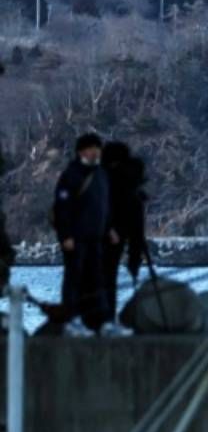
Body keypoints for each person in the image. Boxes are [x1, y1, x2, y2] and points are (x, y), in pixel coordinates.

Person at [52, 133, 112, 336]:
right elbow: (62, 209)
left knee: (97, 279)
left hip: (96, 237)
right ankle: (71, 320)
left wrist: (109, 228)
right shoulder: (71, 175)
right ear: (81, 151)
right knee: (74, 279)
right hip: (76, 239)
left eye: (98, 147)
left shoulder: (101, 174)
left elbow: (104, 206)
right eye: (91, 147)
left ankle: (101, 321)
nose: (96, 151)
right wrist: (65, 235)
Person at [101, 141, 148, 328]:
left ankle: (104, 321)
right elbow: (137, 232)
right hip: (124, 230)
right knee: (109, 280)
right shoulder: (131, 183)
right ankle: (109, 321)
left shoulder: (106, 179)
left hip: (106, 235)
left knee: (102, 281)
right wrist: (134, 260)